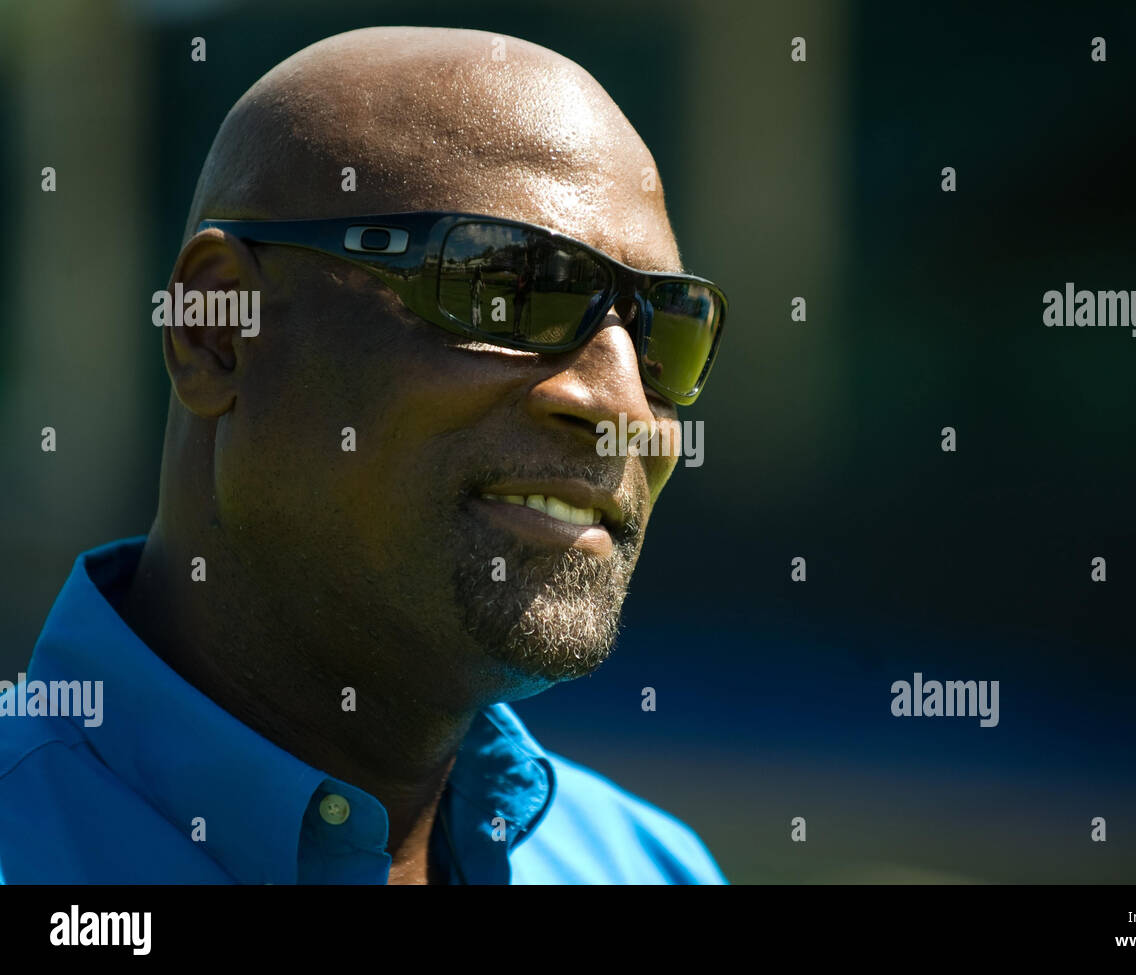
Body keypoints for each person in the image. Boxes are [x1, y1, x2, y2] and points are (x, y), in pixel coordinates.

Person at [0, 26, 727, 885]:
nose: (620, 406)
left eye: (669, 331)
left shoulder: (651, 867)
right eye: (504, 290)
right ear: (217, 331)